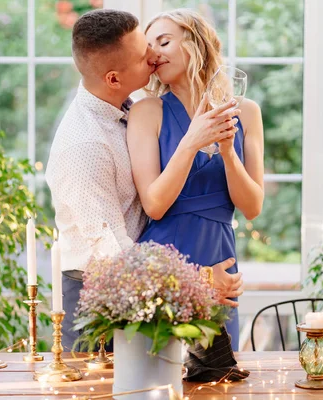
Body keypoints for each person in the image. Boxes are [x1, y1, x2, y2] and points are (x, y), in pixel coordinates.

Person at [45, 9, 244, 352]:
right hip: (98, 299)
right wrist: (199, 279)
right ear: (112, 79)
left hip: (141, 285)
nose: (154, 56)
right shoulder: (84, 146)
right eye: (143, 54)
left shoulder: (125, 106)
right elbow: (113, 256)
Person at [127, 9, 264, 352]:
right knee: (159, 374)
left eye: (164, 40)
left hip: (221, 261)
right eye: (149, 45)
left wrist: (228, 152)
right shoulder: (147, 112)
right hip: (163, 263)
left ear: (197, 43)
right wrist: (191, 141)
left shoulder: (247, 112)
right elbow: (155, 205)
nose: (153, 52)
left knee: (215, 376)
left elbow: (252, 207)